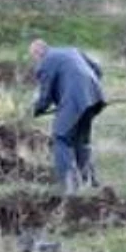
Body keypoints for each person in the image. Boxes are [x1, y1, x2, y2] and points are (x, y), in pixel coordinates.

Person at [30, 40, 106, 195]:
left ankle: (68, 185)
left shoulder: (46, 62)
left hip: (74, 100)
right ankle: (89, 181)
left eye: (34, 57)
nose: (35, 61)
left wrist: (34, 110)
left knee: (60, 137)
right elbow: (98, 69)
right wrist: (87, 87)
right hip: (94, 97)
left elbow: (45, 96)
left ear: (38, 53)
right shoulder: (72, 50)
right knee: (81, 140)